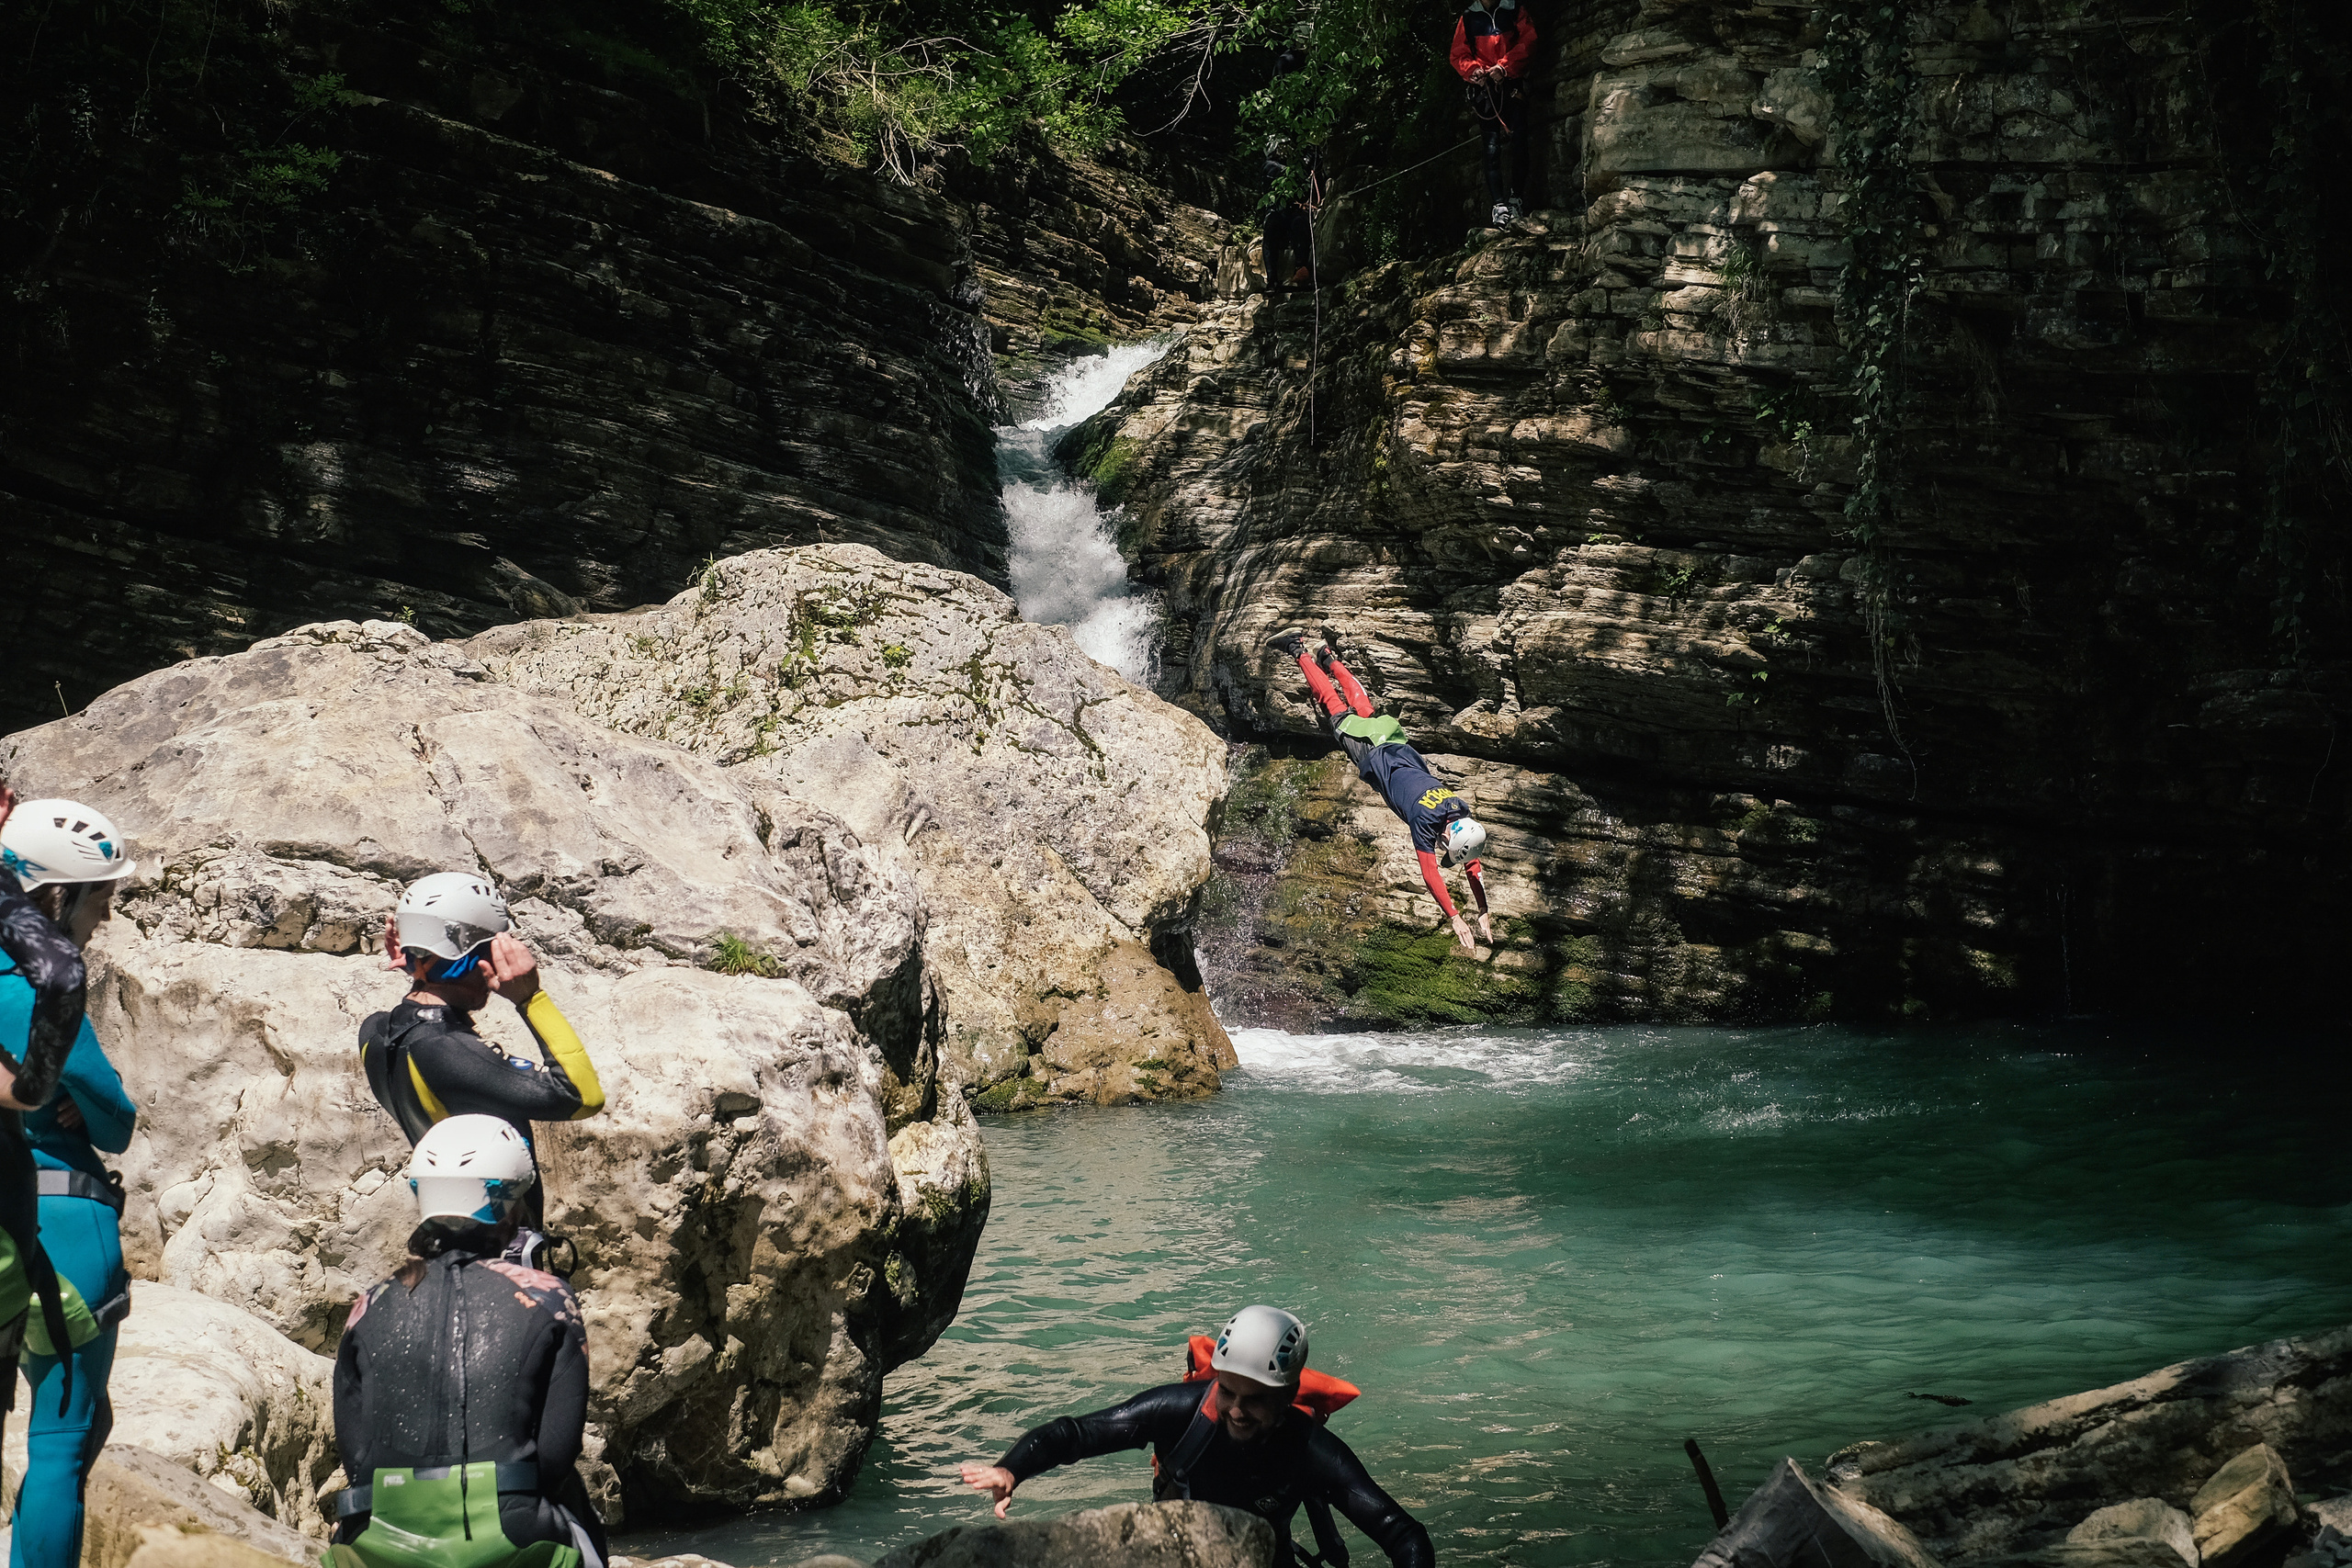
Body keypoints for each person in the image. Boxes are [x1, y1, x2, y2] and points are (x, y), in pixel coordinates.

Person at [329, 1114, 606, 1568]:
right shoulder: (549, 1297)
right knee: (576, 1504)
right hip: (510, 1533)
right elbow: (558, 1454)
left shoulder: (368, 1305)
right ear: (512, 1207)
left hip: (379, 1535)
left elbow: (357, 1459)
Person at [958, 1304, 1435, 1568]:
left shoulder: (1310, 1451)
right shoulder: (1180, 1412)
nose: (1237, 1411)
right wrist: (1012, 1468)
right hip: (1170, 1556)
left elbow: (1404, 1535)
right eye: (1228, 1391)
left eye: (1257, 1400)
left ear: (1288, 1396)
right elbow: (1077, 1434)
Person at [0, 794, 133, 1562]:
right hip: (65, 1224)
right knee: (61, 1440)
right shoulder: (43, 992)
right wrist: (80, 1109)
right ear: (57, 895)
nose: (106, 915)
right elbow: (116, 1118)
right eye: (102, 896)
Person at [359, 873, 605, 1237]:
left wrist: (419, 964)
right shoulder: (448, 1053)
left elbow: (428, 1006)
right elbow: (582, 1096)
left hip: (444, 1236)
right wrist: (530, 998)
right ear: (477, 956)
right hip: (498, 1249)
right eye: (494, 947)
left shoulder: (376, 1032)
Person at [1271, 629, 1495, 953]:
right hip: (1375, 756)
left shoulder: (1459, 808)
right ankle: (1296, 647)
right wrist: (1455, 917)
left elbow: (1471, 858)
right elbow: (1431, 875)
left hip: (1398, 743)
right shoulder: (1423, 820)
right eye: (1447, 846)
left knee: (1366, 710)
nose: (1443, 846)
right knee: (1333, 708)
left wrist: (1483, 908)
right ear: (1448, 838)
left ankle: (1327, 657)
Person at [1450, 0, 1536, 228]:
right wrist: (1474, 71)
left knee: (1519, 142)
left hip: (1512, 85)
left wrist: (1505, 67)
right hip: (1485, 91)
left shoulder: (1514, 9)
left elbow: (1529, 39)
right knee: (1491, 147)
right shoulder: (1468, 17)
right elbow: (1459, 54)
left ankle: (1516, 199)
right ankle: (1499, 206)